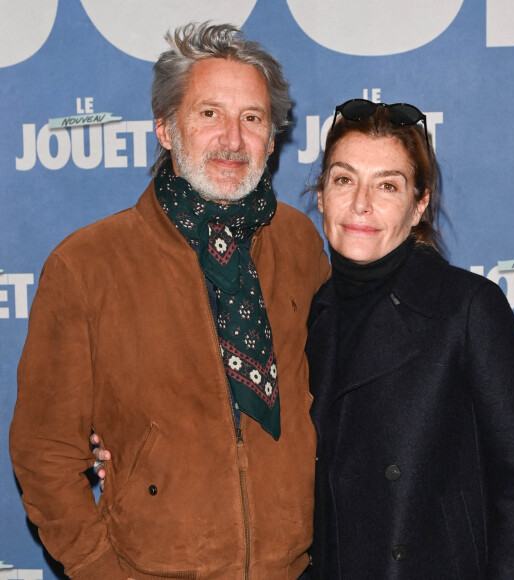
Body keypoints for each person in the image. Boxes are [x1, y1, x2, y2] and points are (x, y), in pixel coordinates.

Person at [10, 22, 329, 580]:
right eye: (209, 114)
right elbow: (44, 453)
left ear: (272, 138)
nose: (233, 139)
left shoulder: (301, 242)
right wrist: (100, 567)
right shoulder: (86, 265)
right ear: (164, 127)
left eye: (251, 118)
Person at [305, 99, 514, 579]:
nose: (361, 203)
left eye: (387, 185)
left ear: (419, 204)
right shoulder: (308, 314)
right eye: (343, 179)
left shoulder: (467, 308)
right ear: (321, 194)